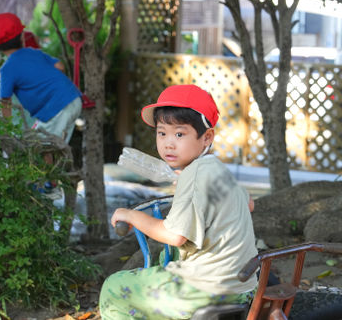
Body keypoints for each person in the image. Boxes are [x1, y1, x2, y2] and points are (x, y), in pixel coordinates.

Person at [99, 84, 258, 319]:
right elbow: (249, 204)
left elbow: (175, 236)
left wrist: (131, 215)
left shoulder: (194, 175)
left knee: (114, 287)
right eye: (162, 133)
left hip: (205, 288)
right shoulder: (216, 169)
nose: (168, 143)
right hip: (243, 285)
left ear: (207, 137)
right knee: (167, 257)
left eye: (180, 134)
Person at [0, 13, 82, 161]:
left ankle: (49, 182)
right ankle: (51, 178)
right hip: (74, 99)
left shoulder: (7, 70)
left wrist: (6, 129)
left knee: (37, 145)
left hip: (57, 109)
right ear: (22, 37)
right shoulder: (35, 53)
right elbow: (60, 66)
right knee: (45, 142)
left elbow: (5, 102)